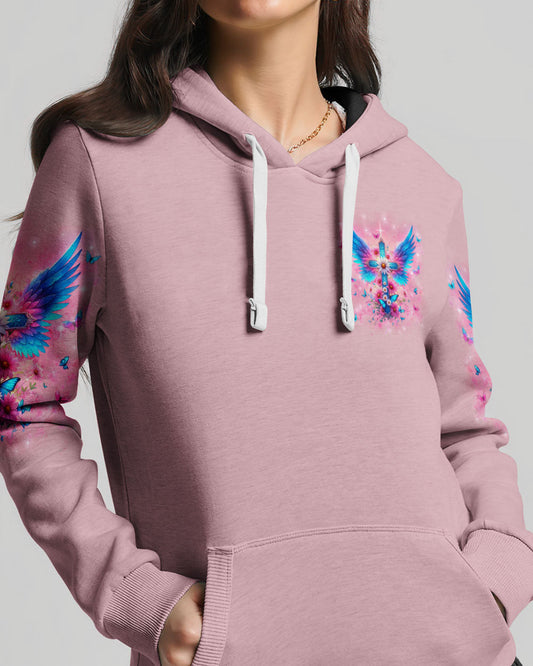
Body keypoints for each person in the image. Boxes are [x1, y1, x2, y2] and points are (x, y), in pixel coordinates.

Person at [0, 0, 530, 664]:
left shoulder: (419, 184)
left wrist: (501, 568)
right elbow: (20, 400)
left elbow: (464, 425)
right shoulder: (99, 165)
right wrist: (133, 593)